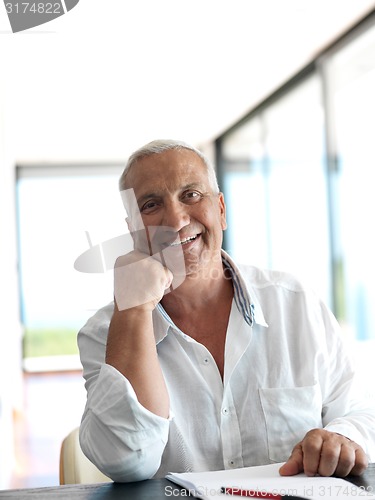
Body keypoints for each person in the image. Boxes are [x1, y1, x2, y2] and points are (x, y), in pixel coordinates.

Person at [78, 139, 375, 483]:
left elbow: (359, 409)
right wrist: (132, 312)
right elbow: (126, 460)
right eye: (150, 204)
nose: (175, 219)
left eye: (190, 195)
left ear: (220, 210)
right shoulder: (104, 332)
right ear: (132, 229)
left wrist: (342, 437)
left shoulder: (295, 303)